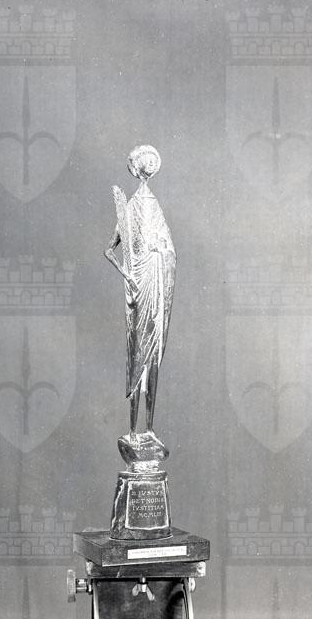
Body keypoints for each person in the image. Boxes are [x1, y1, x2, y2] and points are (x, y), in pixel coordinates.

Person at [104, 145, 176, 441]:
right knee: (137, 357)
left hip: (156, 285)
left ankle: (149, 429)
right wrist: (127, 276)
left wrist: (161, 251)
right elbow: (109, 250)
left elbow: (169, 249)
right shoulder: (131, 207)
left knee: (154, 356)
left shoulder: (153, 207)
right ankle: (134, 430)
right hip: (139, 288)